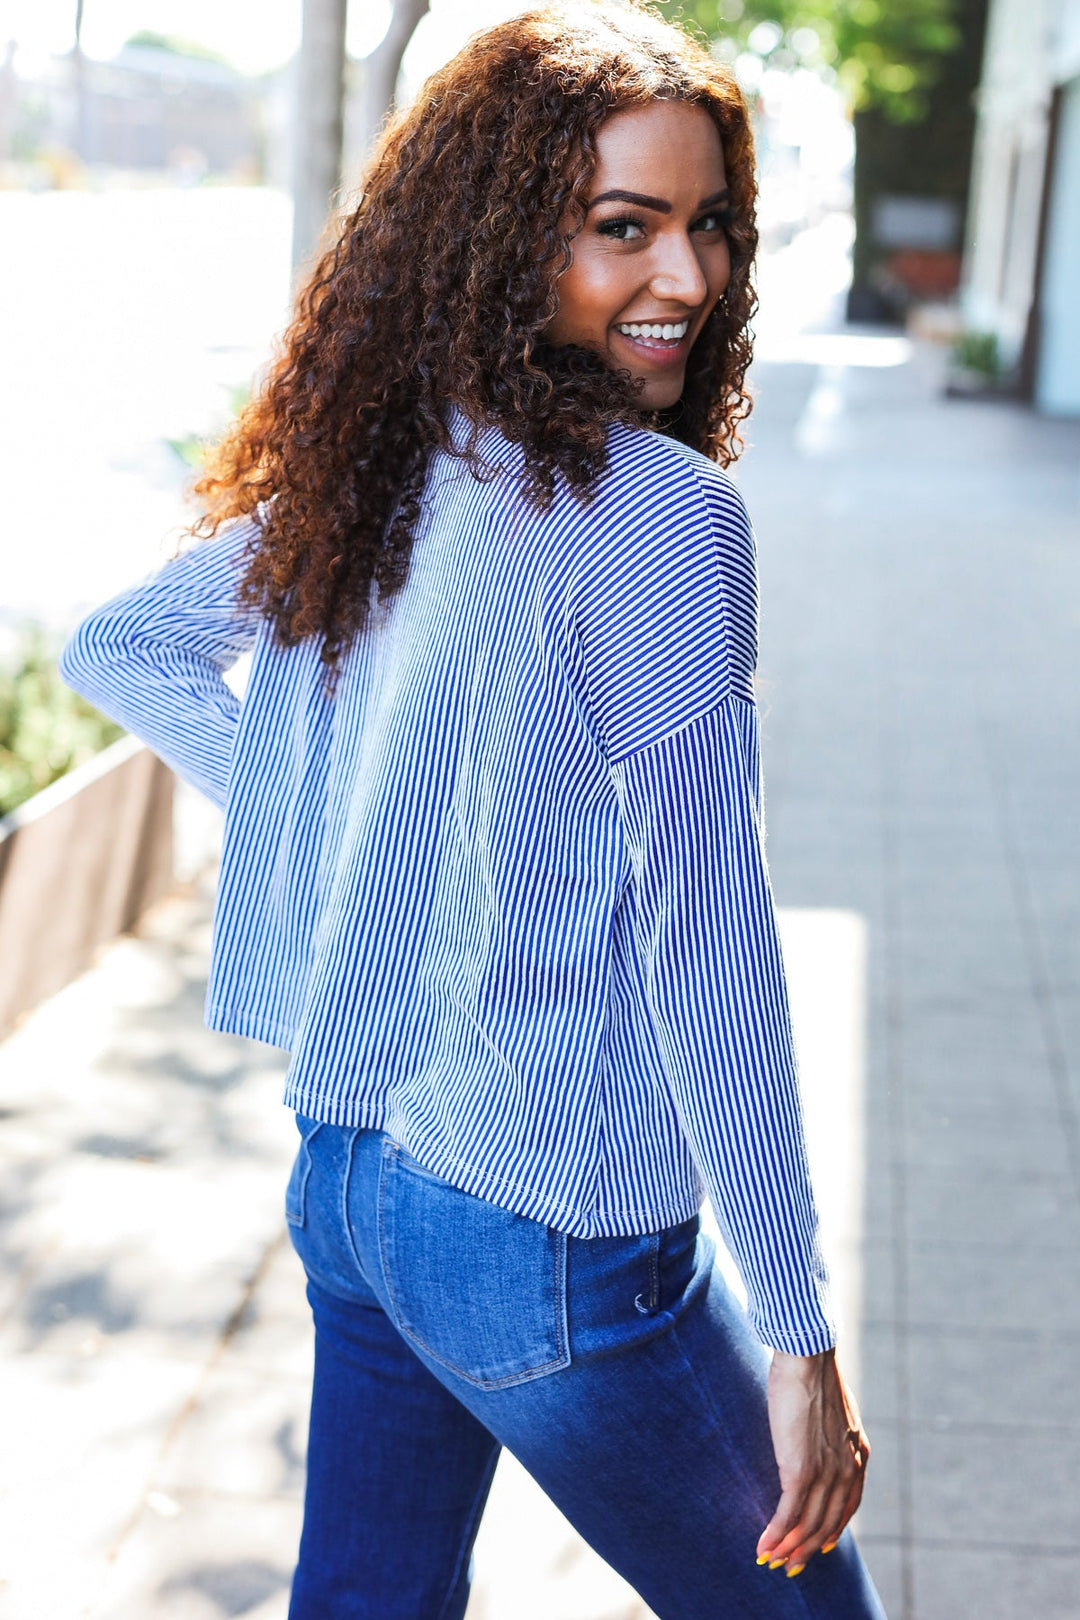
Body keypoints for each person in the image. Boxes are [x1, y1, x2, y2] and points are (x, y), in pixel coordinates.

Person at [59, 3, 889, 1616]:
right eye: (621, 229)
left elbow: (126, 647)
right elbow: (710, 939)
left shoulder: (395, 460)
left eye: (710, 226)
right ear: (502, 237)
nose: (690, 280)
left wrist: (348, 836)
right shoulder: (662, 518)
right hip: (559, 1243)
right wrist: (798, 1330)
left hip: (358, 1191)